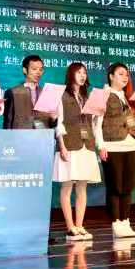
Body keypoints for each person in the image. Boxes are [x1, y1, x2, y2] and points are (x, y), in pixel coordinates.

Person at [94, 63, 135, 238]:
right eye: (120, 74)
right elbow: (97, 123)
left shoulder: (128, 97)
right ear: (111, 76)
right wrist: (101, 145)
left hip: (130, 145)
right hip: (112, 145)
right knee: (115, 186)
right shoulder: (102, 94)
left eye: (126, 74)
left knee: (127, 186)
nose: (125, 77)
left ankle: (125, 221)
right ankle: (116, 222)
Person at [54, 62, 102, 242]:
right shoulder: (62, 95)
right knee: (67, 186)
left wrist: (99, 114)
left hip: (86, 145)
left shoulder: (87, 96)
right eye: (79, 72)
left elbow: (93, 124)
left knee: (82, 187)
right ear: (71, 74)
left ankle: (80, 225)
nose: (82, 76)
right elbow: (59, 123)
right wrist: (62, 146)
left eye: (84, 73)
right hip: (69, 144)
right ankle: (70, 227)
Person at [3, 54, 55, 130]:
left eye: (40, 70)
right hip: (20, 136)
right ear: (25, 70)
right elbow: (8, 122)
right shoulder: (12, 92)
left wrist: (53, 118)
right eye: (34, 69)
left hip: (42, 135)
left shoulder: (46, 93)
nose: (38, 73)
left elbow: (51, 124)